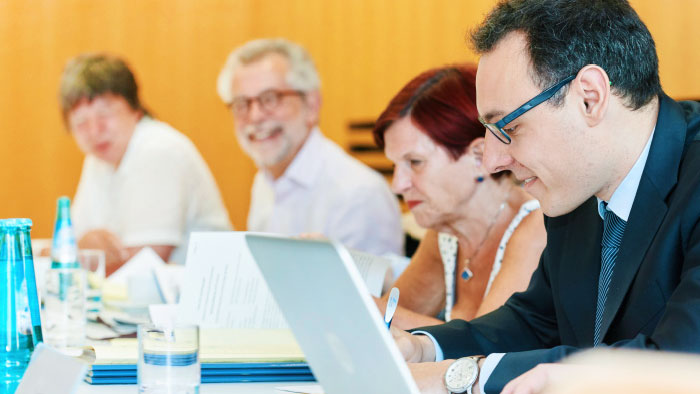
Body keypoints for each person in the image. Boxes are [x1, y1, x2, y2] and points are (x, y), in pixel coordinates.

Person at [390, 1, 700, 393]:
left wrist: (461, 377)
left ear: (590, 96)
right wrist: (423, 349)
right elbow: (537, 321)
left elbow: (679, 361)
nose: (494, 160)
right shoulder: (578, 187)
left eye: (511, 127)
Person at [372, 65, 545, 329]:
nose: (398, 185)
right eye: (395, 166)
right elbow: (387, 323)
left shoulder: (537, 227)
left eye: (415, 162)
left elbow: (487, 347)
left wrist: (360, 305)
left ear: (478, 157)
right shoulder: (447, 230)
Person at [216, 38, 403, 256]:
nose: (254, 116)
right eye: (241, 104)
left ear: (312, 105)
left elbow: (372, 289)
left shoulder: (358, 195)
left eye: (270, 99)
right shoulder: (265, 180)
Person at [60, 53, 232, 273]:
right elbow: (70, 246)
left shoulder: (158, 150)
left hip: (207, 295)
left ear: (136, 110)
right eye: (81, 122)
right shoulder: (98, 159)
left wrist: (81, 256)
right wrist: (81, 250)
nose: (94, 130)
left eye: (105, 113)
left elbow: (144, 266)